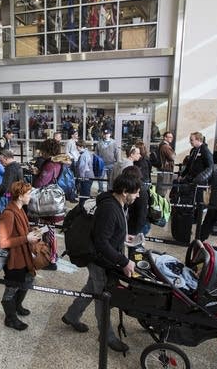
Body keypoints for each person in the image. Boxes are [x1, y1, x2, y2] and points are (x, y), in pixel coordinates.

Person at [61, 174, 138, 353]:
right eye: (136, 192)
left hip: (100, 258)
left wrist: (122, 236)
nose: (138, 196)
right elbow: (101, 242)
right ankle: (107, 336)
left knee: (91, 288)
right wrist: (124, 261)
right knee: (101, 298)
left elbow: (105, 232)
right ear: (124, 191)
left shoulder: (114, 201)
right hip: (98, 260)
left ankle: (72, 315)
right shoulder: (110, 208)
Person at [0, 180, 40, 331]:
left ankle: (17, 306)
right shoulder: (8, 214)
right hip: (14, 259)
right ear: (20, 196)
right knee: (11, 289)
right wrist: (26, 238)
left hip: (23, 256)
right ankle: (10, 318)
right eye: (28, 193)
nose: (30, 196)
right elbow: (3, 242)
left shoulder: (20, 209)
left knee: (28, 279)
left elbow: (22, 228)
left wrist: (31, 229)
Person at [32, 138, 71, 270]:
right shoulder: (59, 162)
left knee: (49, 231)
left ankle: (51, 259)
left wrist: (37, 175)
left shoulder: (50, 164)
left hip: (48, 204)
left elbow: (40, 183)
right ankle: (51, 256)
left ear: (47, 151)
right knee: (49, 230)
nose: (41, 152)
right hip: (56, 201)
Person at [0, 150, 23, 218]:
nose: (0, 163)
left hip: (7, 196)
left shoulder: (9, 168)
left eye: (1, 160)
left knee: (1, 218)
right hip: (13, 196)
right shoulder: (18, 166)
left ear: (6, 158)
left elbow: (5, 187)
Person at [157, 131, 176, 196]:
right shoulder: (165, 146)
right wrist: (173, 153)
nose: (171, 138)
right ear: (165, 138)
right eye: (169, 137)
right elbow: (173, 157)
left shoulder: (162, 145)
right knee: (163, 189)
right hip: (165, 170)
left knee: (162, 188)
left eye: (172, 137)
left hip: (163, 169)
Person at [76, 140, 94, 205]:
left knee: (84, 195)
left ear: (80, 146)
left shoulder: (83, 155)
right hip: (90, 176)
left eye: (77, 146)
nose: (76, 148)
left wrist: (81, 178)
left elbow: (82, 168)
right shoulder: (88, 153)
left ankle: (83, 208)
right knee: (86, 194)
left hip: (86, 177)